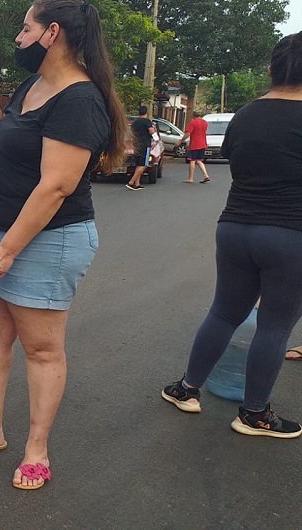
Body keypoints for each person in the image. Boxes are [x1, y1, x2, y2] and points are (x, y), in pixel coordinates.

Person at [0, 0, 125, 490]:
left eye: (26, 29)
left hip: (50, 239)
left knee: (41, 349)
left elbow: (56, 186)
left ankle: (36, 449)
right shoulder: (34, 84)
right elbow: (9, 140)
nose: (19, 37)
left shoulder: (79, 100)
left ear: (52, 34)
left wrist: (6, 251)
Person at [161, 32, 302, 439]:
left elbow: (238, 163)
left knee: (224, 312)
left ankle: (186, 388)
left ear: (272, 70)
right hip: (290, 234)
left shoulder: (244, 115)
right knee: (275, 326)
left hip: (235, 227)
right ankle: (254, 414)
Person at [126, 105, 155, 190]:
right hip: (145, 144)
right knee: (144, 165)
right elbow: (151, 131)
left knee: (138, 164)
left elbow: (131, 133)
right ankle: (131, 182)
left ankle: (137, 183)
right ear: (146, 113)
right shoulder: (147, 121)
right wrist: (153, 130)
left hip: (136, 144)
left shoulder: (134, 123)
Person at [178, 111, 211, 184]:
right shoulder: (205, 123)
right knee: (199, 160)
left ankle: (190, 178)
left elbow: (188, 133)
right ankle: (206, 175)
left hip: (195, 144)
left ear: (193, 116)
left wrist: (181, 141)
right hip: (203, 143)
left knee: (192, 160)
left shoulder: (193, 123)